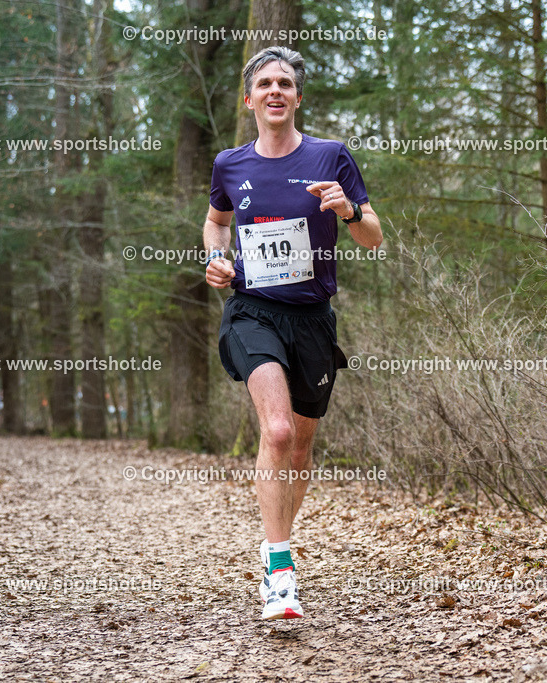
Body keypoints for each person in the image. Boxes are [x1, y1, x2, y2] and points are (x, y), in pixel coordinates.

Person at [203, 46, 382, 620]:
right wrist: (216, 259)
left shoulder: (331, 156)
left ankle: (280, 539)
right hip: (252, 310)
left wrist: (349, 210)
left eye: (285, 83)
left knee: (300, 446)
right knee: (276, 431)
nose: (275, 91)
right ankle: (279, 571)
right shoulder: (230, 165)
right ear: (250, 98)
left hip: (312, 319)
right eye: (265, 84)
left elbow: (374, 237)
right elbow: (216, 221)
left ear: (297, 97)